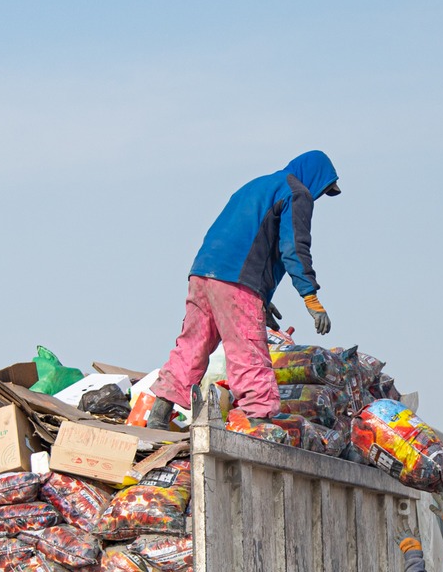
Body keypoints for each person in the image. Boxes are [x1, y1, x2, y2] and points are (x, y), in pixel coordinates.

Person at [141, 150, 341, 429]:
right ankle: (260, 420)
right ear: (317, 177)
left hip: (203, 273)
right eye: (324, 189)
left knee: (192, 344)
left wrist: (261, 296)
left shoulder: (256, 185)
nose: (319, 196)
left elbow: (241, 236)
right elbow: (293, 246)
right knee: (247, 348)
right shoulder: (297, 192)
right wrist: (310, 296)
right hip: (236, 281)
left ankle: (159, 415)